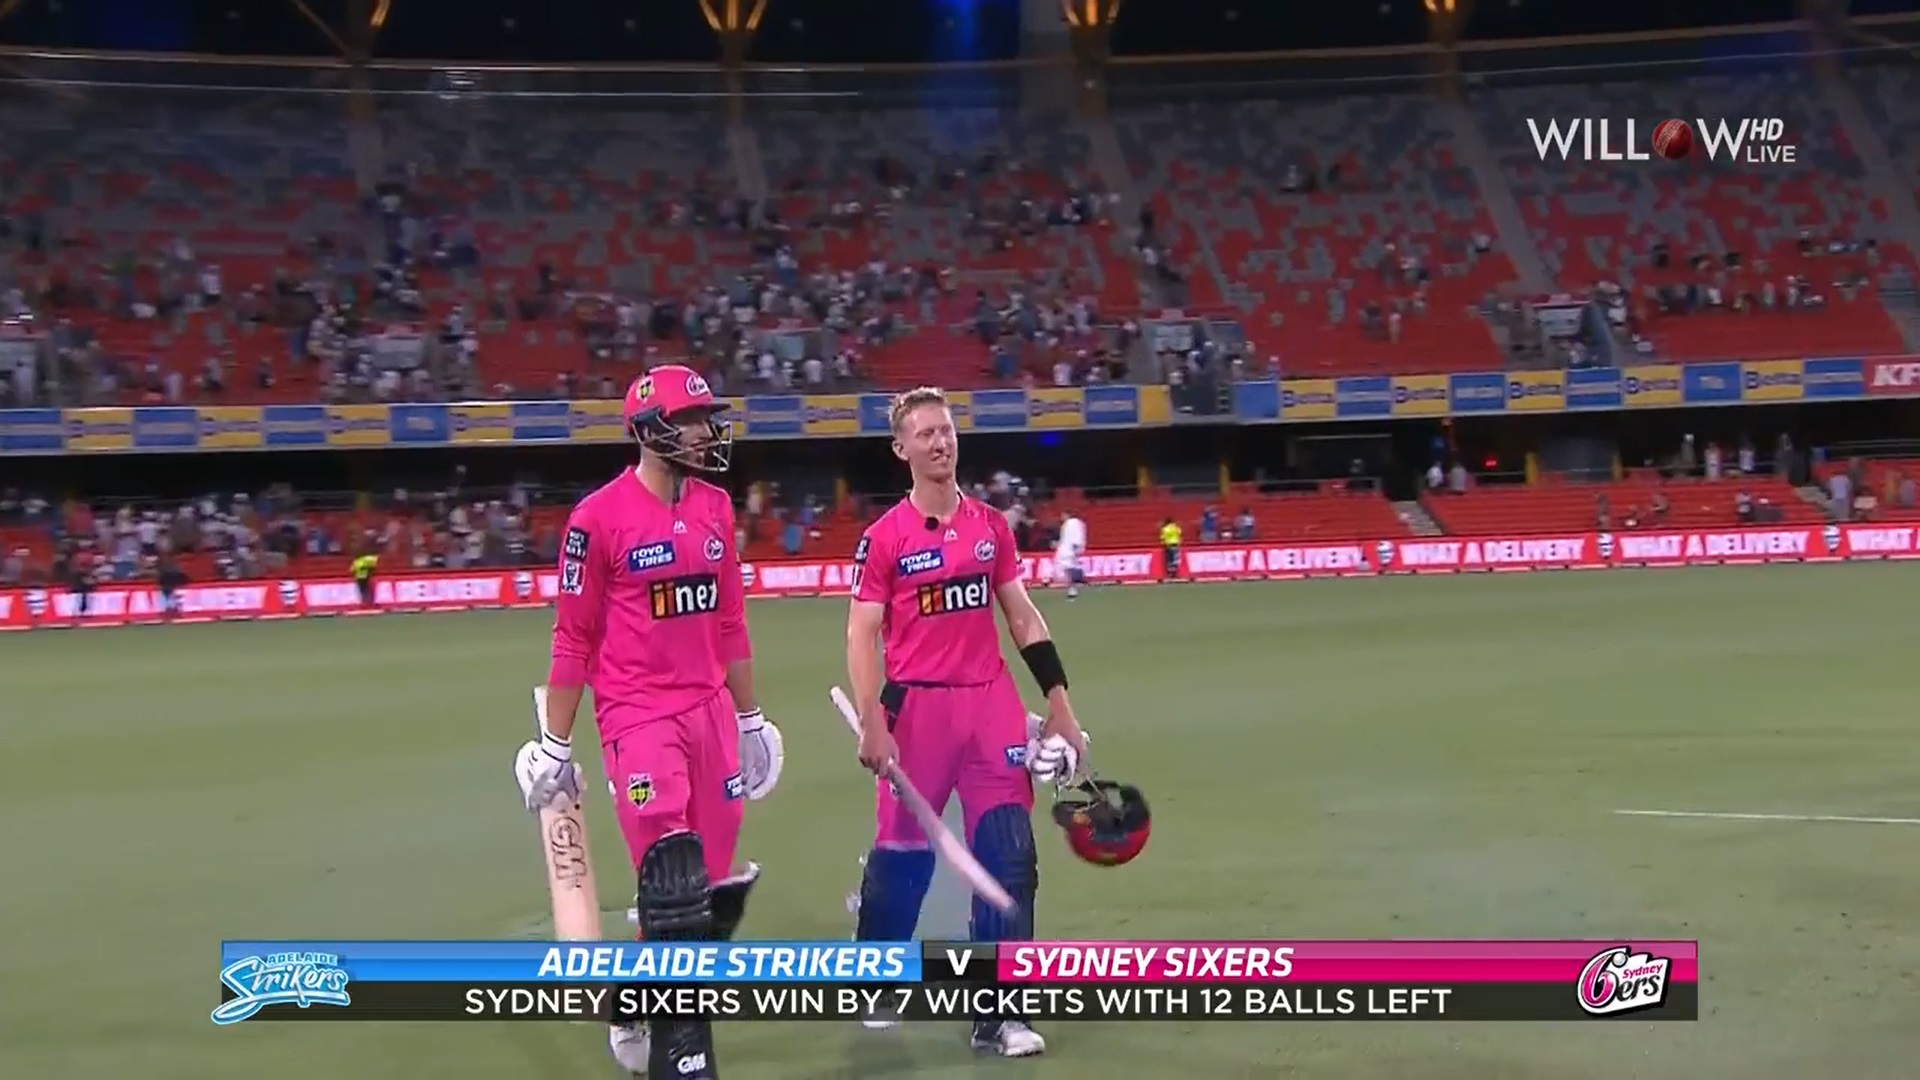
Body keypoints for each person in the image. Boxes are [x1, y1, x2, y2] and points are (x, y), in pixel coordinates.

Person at [514, 365, 785, 1080]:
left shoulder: (716, 507)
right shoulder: (596, 520)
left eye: (704, 418)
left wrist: (752, 719)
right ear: (648, 430)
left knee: (712, 890)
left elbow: (730, 622)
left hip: (710, 712)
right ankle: (683, 1052)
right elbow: (573, 637)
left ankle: (634, 1002)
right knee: (672, 876)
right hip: (637, 716)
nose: (703, 431)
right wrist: (554, 744)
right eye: (688, 420)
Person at [845, 386, 1089, 1058]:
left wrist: (1060, 704)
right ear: (901, 448)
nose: (940, 442)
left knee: (1009, 856)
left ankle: (999, 1013)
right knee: (904, 857)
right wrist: (871, 720)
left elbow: (1022, 618)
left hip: (990, 707)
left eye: (946, 430)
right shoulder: (883, 539)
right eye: (925, 433)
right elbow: (861, 635)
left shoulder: (989, 526)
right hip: (917, 712)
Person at [1054, 509, 1087, 600]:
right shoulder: (1071, 524)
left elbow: (1076, 537)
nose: (1061, 517)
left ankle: (1073, 588)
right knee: (1067, 569)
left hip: (1068, 551)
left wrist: (1075, 548)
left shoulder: (1072, 523)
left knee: (1068, 570)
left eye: (1063, 515)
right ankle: (1072, 587)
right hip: (1068, 550)